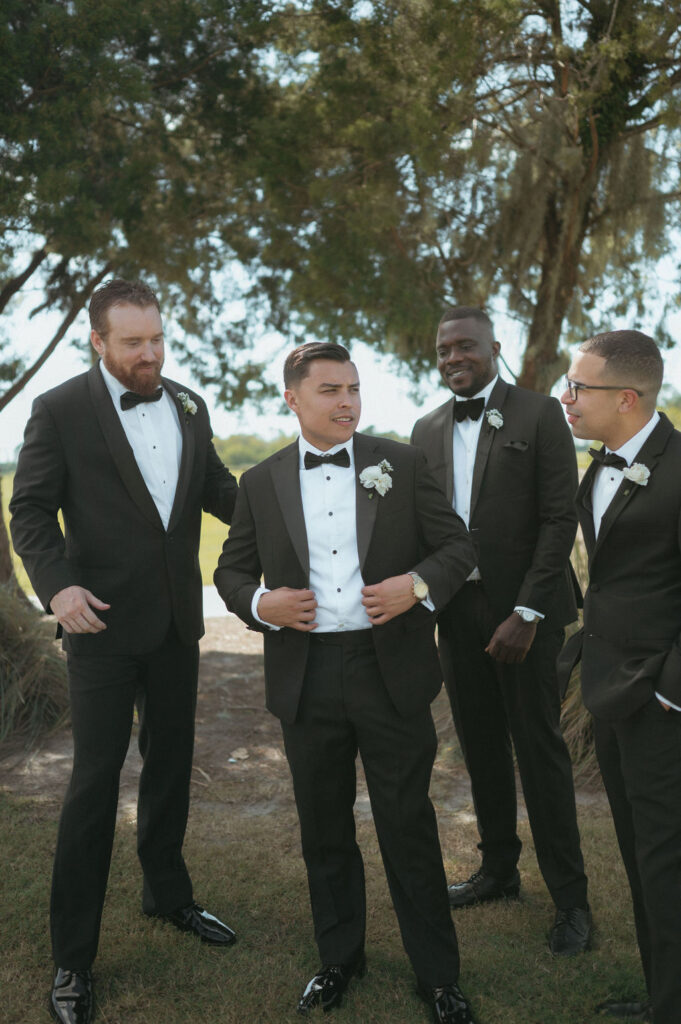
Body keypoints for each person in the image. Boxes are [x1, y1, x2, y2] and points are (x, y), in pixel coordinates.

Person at [214, 342, 478, 1024]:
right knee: (323, 828)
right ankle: (338, 960)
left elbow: (457, 548)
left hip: (387, 670)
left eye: (354, 389)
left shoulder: (401, 462)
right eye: (330, 389)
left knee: (406, 823)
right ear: (292, 398)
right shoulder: (260, 481)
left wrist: (415, 586)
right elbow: (231, 572)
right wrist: (256, 606)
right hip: (304, 676)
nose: (347, 402)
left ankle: (438, 978)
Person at [10, 279, 239, 1024]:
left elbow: (218, 491)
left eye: (158, 339)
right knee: (94, 786)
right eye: (134, 342)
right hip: (99, 628)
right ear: (98, 342)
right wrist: (58, 589)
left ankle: (167, 894)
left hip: (178, 625)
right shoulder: (59, 409)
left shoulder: (188, 404)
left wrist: (290, 523)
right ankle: (73, 958)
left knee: (171, 767)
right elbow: (32, 511)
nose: (151, 354)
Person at [411, 307, 590, 955]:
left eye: (465, 346)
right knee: (480, 747)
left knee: (539, 753)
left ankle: (571, 901)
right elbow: (425, 529)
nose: (452, 357)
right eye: (442, 350)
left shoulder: (539, 414)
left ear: (494, 347)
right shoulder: (423, 429)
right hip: (457, 616)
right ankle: (497, 870)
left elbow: (557, 519)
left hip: (526, 616)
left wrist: (529, 612)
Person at [559, 330, 681, 1024]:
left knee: (666, 862)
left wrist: (668, 692)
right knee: (641, 857)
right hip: (612, 689)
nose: (566, 398)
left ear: (625, 399)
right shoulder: (602, 464)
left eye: (579, 388)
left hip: (661, 702)